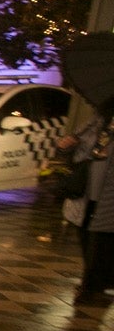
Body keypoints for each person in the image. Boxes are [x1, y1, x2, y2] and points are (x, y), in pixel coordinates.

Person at [60, 99, 114, 305]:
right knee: (85, 237)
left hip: (108, 197)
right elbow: (73, 148)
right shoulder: (95, 123)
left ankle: (90, 287)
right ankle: (93, 284)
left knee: (100, 242)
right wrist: (67, 145)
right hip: (86, 191)